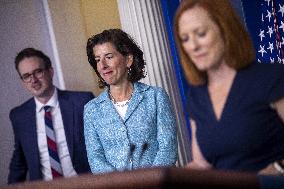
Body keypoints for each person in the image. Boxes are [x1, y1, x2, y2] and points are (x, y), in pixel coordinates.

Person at [174, 0, 284, 173]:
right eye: (185, 39)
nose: (193, 46)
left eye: (201, 34)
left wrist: (278, 168)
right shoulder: (196, 96)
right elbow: (201, 165)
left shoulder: (272, 77)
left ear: (226, 30)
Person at [84, 29, 177, 174]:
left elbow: (168, 148)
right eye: (97, 60)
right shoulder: (91, 109)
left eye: (108, 57)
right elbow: (95, 158)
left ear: (128, 59)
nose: (102, 65)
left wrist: (149, 182)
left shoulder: (156, 96)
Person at [8, 48, 94, 183]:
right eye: (27, 76)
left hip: (84, 184)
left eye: (38, 72)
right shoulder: (19, 116)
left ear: (50, 71)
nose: (33, 80)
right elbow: (19, 161)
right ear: (23, 81)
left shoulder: (82, 102)